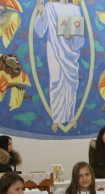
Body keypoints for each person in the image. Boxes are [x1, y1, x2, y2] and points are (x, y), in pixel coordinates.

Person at [34, 0, 85, 133]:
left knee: (71, 83)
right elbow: (40, 30)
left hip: (71, 51)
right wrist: (40, 12)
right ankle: (56, 117)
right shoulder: (50, 6)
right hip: (54, 50)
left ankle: (70, 116)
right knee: (56, 81)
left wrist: (72, 37)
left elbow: (79, 35)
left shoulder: (75, 8)